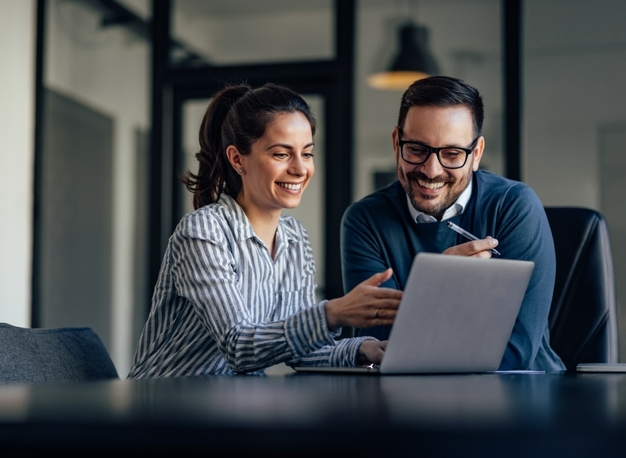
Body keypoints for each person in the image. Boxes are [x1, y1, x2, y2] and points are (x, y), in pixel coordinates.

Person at [128, 83, 402, 378]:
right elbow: (239, 346)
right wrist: (334, 313)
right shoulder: (202, 231)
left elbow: (300, 349)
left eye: (306, 154)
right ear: (237, 159)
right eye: (282, 154)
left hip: (232, 407)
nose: (300, 169)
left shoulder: (295, 238)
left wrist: (364, 350)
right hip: (163, 407)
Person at [341, 76, 565, 372]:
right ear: (397, 143)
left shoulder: (515, 206)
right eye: (417, 149)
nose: (431, 171)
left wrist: (422, 316)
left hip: (523, 394)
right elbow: (382, 348)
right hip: (409, 401)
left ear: (476, 154)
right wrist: (439, 288)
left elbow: (516, 349)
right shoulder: (365, 220)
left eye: (452, 154)